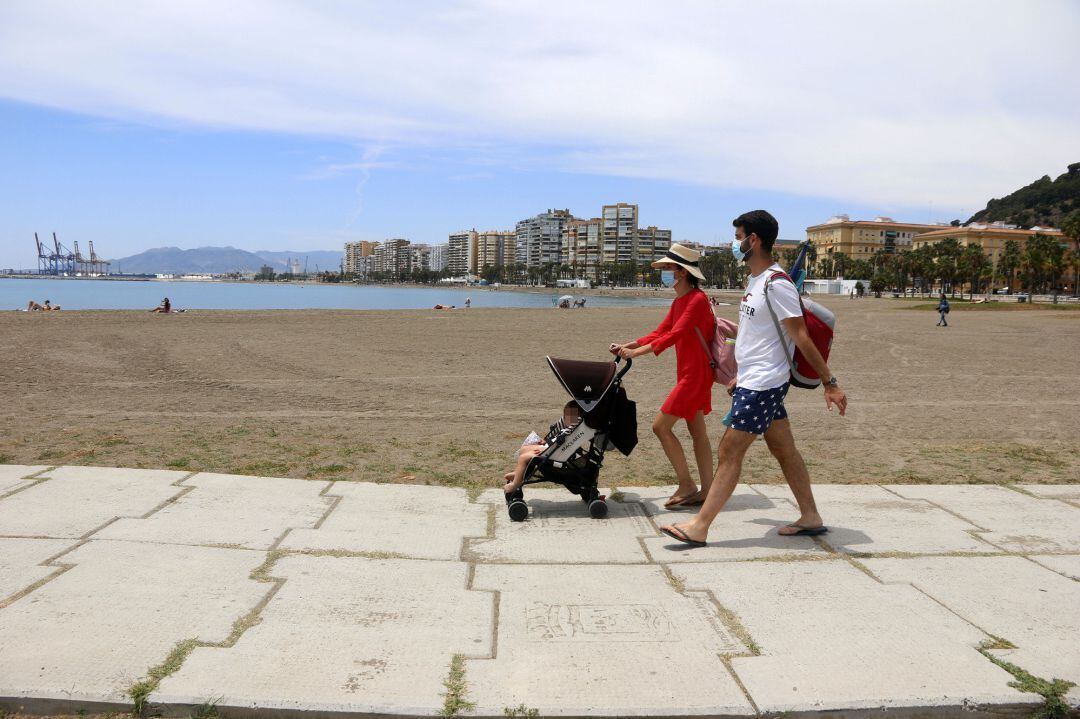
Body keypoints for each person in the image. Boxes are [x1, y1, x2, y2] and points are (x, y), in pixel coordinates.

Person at [659, 210, 847, 547]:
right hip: (753, 379)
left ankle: (700, 526)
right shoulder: (756, 281)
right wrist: (739, 374)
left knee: (730, 449)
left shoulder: (777, 284)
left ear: (754, 240)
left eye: (738, 236)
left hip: (765, 383)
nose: (735, 243)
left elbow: (800, 336)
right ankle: (810, 515)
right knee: (784, 448)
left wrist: (830, 383)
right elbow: (758, 337)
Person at [609, 243, 715, 508]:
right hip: (689, 373)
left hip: (696, 375)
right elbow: (661, 331)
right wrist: (630, 345)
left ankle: (688, 484)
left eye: (668, 268)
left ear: (681, 271)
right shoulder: (680, 301)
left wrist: (638, 354)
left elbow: (675, 335)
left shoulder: (697, 300)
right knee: (697, 431)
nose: (665, 273)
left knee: (660, 426)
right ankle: (708, 489)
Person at [503, 402, 582, 494]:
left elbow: (577, 422)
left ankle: (515, 485)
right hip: (551, 448)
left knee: (523, 458)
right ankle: (519, 473)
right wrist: (545, 442)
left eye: (571, 416)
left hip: (555, 452)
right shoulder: (566, 428)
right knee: (524, 449)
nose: (566, 418)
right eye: (566, 415)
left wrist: (545, 448)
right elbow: (556, 436)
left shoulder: (573, 428)